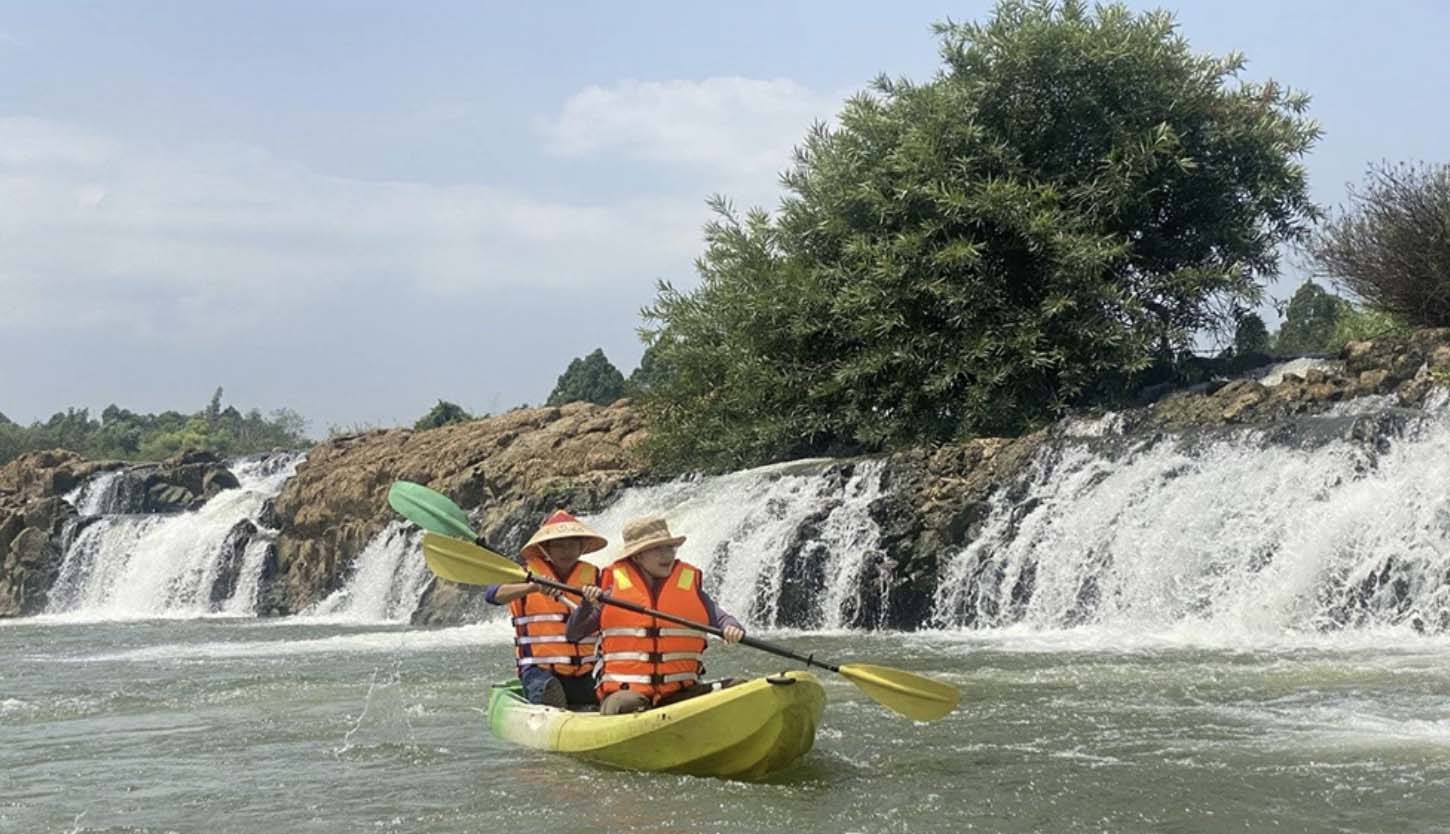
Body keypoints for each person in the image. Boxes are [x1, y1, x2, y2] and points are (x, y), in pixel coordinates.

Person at [566, 515, 744, 715]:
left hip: (680, 693)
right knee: (627, 705)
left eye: (669, 548)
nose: (666, 555)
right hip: (627, 695)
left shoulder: (689, 585)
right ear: (637, 556)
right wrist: (586, 606)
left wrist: (732, 628)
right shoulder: (610, 590)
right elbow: (573, 634)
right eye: (658, 549)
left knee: (739, 688)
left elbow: (720, 618)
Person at [485, 510, 606, 708]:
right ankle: (548, 701)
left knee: (599, 690)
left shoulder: (596, 576)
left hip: (586, 668)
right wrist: (532, 587)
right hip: (539, 670)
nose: (566, 551)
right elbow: (492, 595)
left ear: (582, 546)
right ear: (545, 549)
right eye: (558, 545)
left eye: (572, 544)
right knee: (545, 687)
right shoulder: (525, 574)